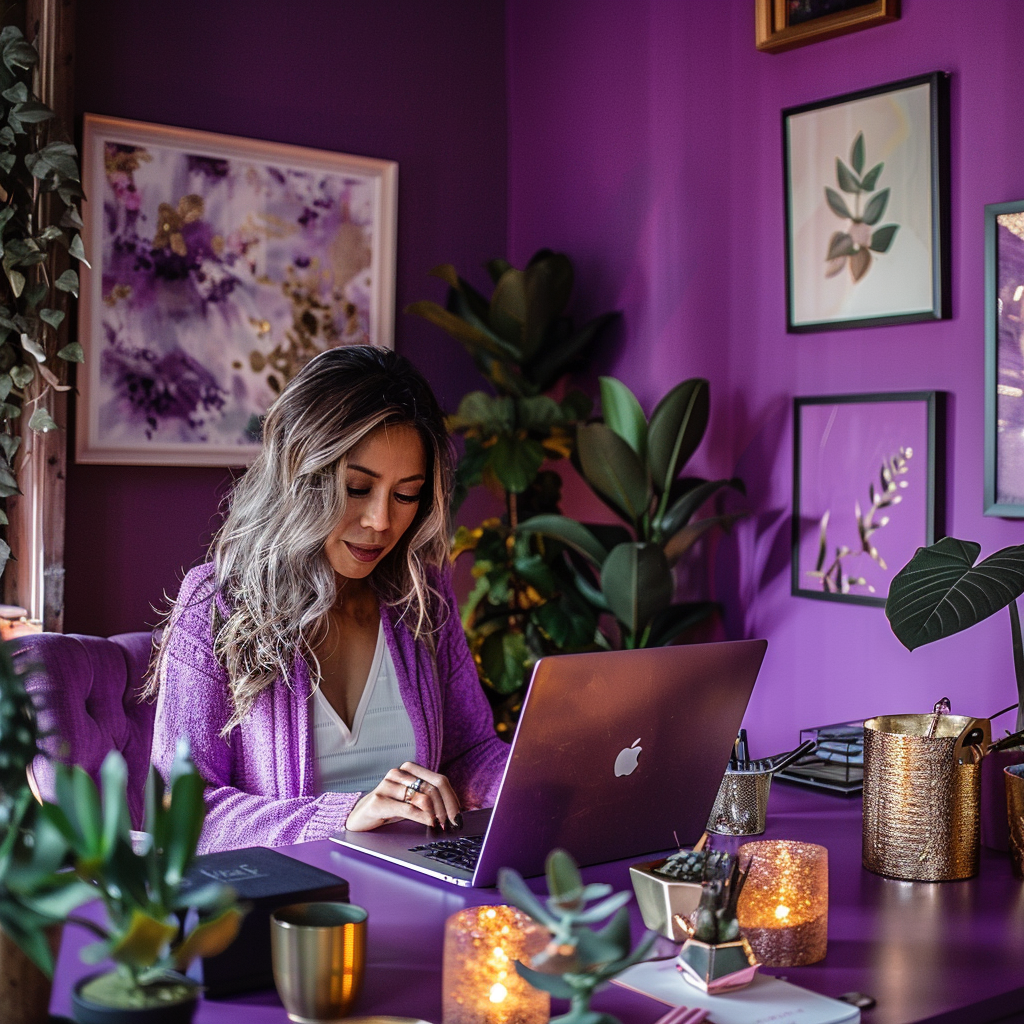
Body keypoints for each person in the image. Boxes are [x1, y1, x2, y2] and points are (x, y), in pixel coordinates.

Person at [149, 345, 509, 854]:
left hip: (414, 888)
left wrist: (535, 785)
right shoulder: (215, 602)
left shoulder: (423, 598)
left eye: (406, 495)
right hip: (286, 910)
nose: (381, 521)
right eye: (358, 487)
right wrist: (348, 814)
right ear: (300, 475)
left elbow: (470, 753)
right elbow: (179, 810)